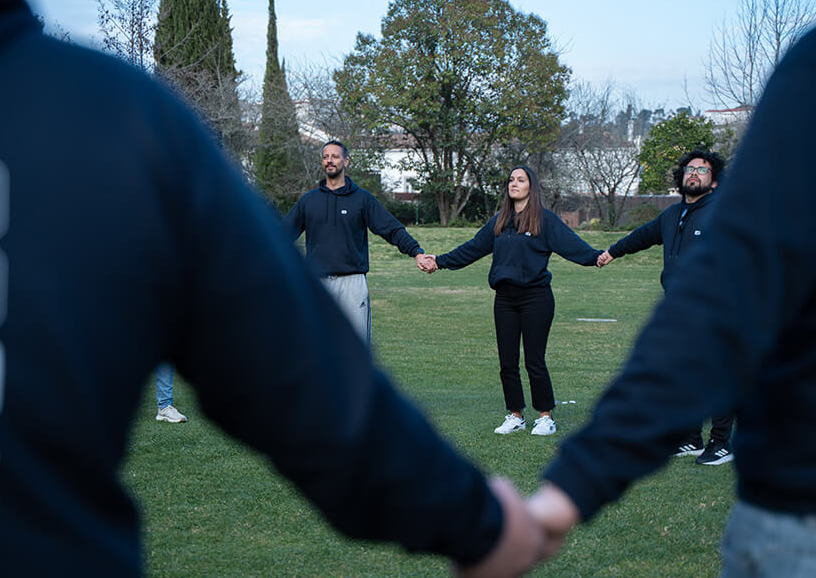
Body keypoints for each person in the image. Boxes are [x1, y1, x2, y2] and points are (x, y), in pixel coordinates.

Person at [0, 0, 549, 578]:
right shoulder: (115, 118)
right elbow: (307, 382)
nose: (331, 159)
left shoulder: (120, 125)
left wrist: (413, 254)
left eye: (336, 153)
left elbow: (308, 365)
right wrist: (479, 524)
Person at [529, 0, 816, 578]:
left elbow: (720, 307)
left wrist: (569, 487)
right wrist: (606, 253)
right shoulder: (673, 215)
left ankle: (713, 440)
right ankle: (696, 435)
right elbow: (642, 240)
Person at [420, 167, 601, 436]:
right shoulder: (500, 221)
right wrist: (440, 262)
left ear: (531, 186)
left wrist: (598, 256)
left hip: (536, 298)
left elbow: (572, 246)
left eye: (520, 180)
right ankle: (515, 414)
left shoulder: (544, 220)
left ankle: (545, 415)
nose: (514, 184)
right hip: (504, 299)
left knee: (534, 360)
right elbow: (472, 248)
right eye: (511, 180)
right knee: (507, 361)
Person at [596, 149, 734, 465]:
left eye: (703, 169)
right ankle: (690, 439)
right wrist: (613, 252)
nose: (694, 173)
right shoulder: (671, 215)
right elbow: (642, 237)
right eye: (689, 168)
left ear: (714, 182)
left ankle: (722, 442)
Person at [281, 140, 430, 343]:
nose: (329, 161)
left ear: (346, 161)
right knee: (316, 349)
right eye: (325, 157)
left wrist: (416, 251)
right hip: (317, 284)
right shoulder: (309, 201)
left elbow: (391, 229)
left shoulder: (362, 199)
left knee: (356, 350)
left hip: (352, 283)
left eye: (335, 156)